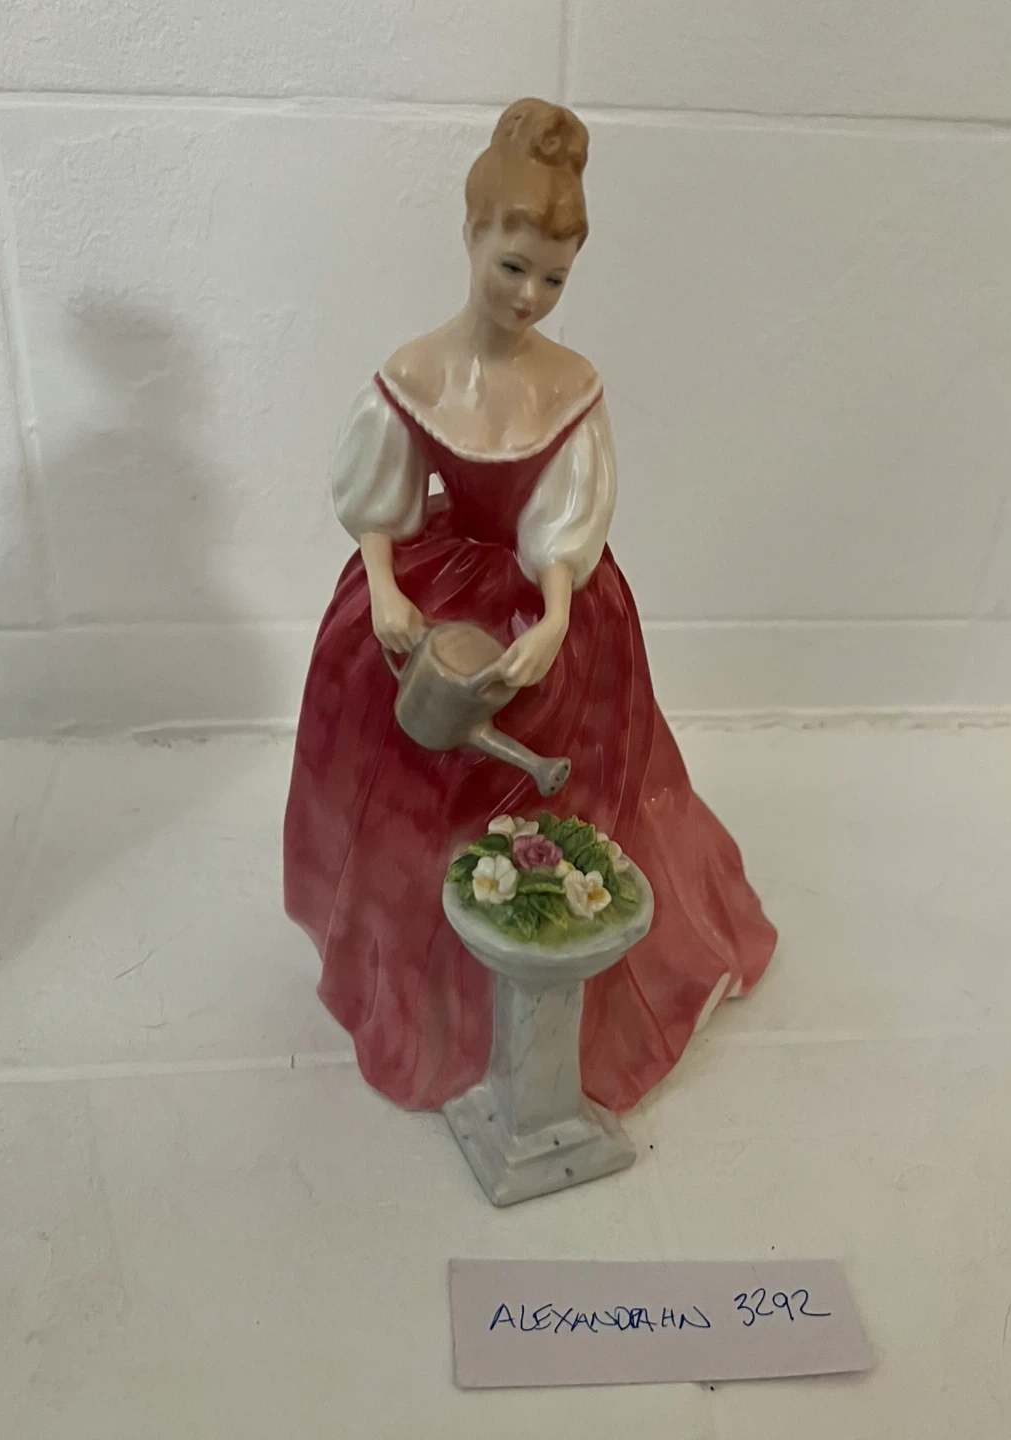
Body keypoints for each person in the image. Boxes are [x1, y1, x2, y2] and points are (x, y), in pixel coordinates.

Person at [284, 98, 776, 1113]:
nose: (530, 297)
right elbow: (377, 496)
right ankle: (420, 982)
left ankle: (549, 979)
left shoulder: (572, 385)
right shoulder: (414, 373)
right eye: (513, 267)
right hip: (432, 595)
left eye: (554, 279)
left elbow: (564, 520)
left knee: (560, 772)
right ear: (471, 237)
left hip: (541, 608)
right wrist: (384, 586)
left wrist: (555, 616)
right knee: (410, 767)